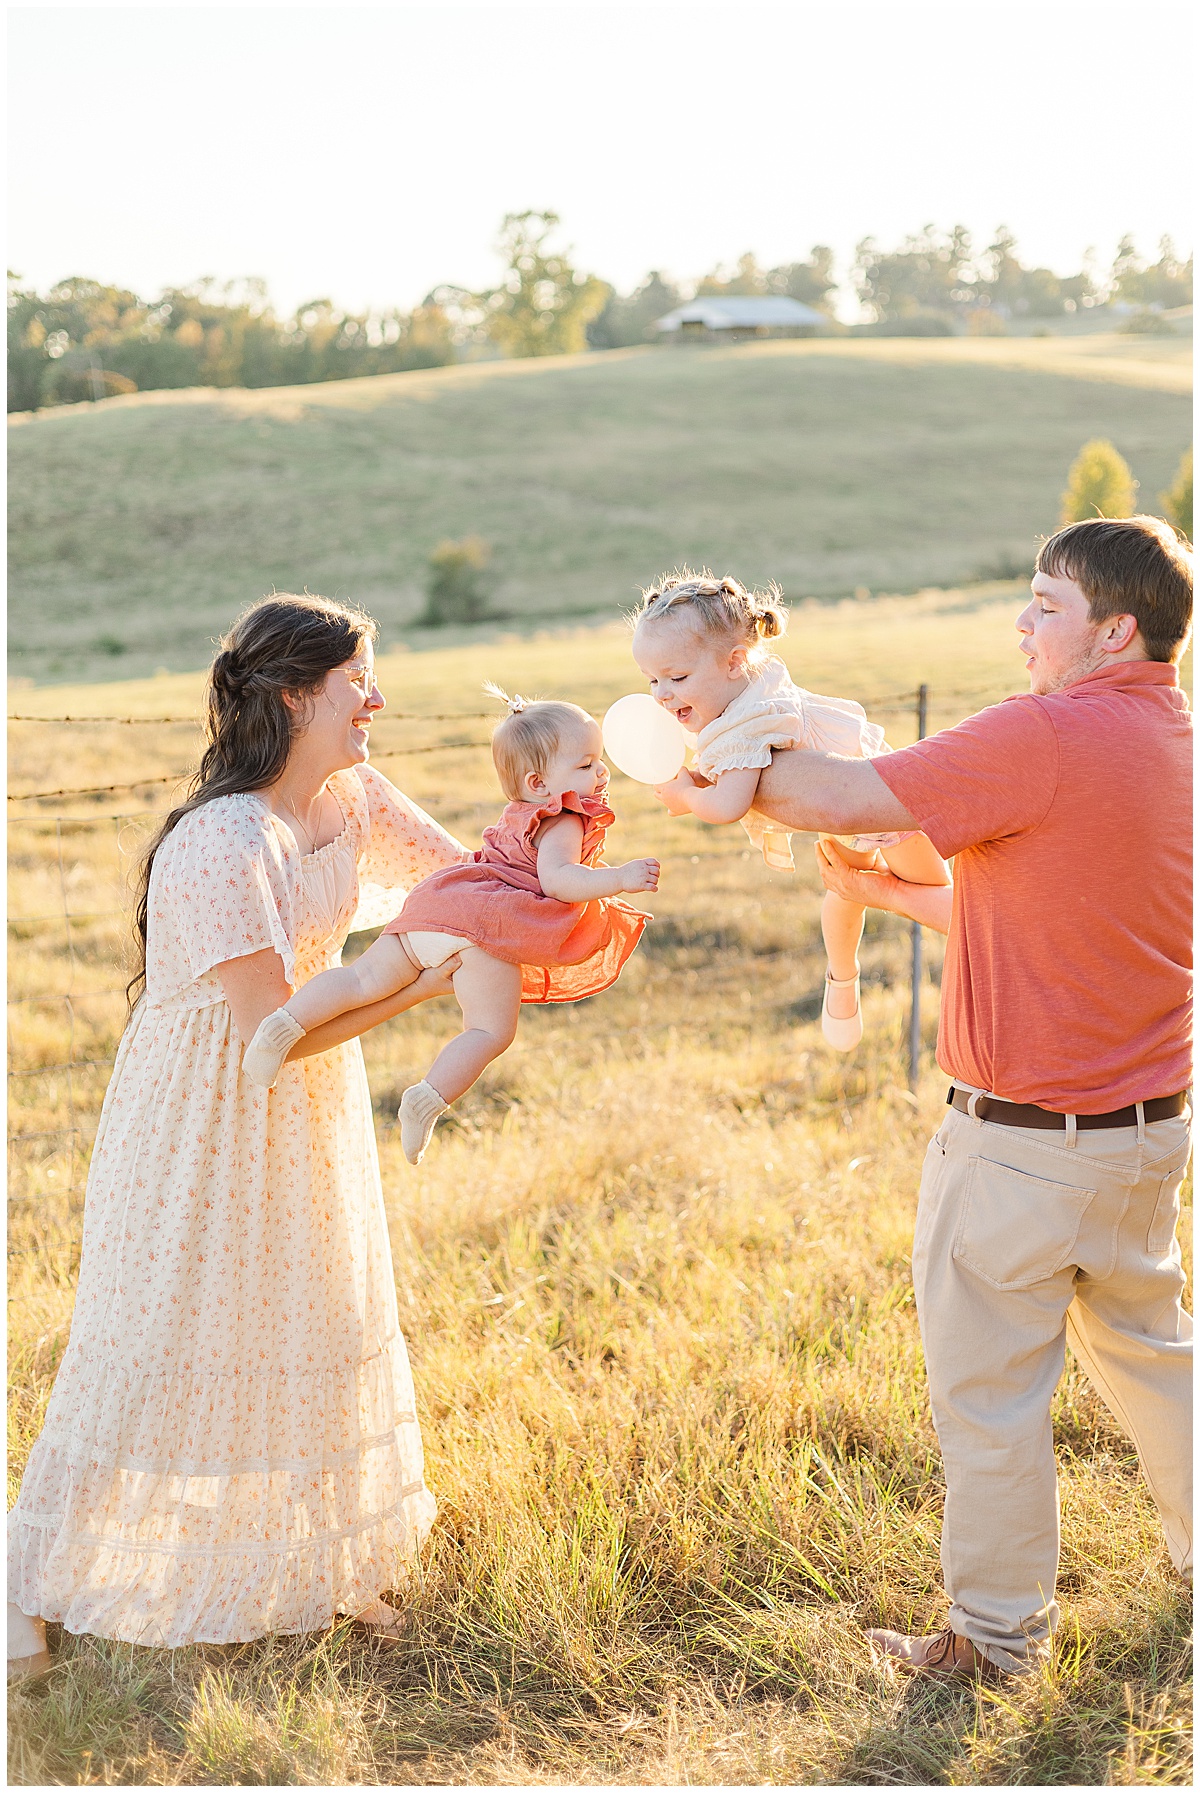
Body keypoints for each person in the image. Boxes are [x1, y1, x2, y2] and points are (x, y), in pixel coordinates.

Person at [753, 515, 1193, 1683]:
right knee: (1158, 1359)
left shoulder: (1045, 731)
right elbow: (1079, 922)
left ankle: (994, 1641)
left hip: (1019, 1146)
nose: (1021, 622)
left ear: (1116, 628)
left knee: (990, 1398)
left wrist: (736, 733)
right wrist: (901, 907)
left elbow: (839, 795)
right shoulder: (1174, 737)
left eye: (1044, 603)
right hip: (1145, 1138)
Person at [8, 595, 474, 1677]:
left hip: (303, 1100)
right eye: (360, 678)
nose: (378, 697)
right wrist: (418, 992)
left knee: (315, 1311)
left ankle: (327, 1562)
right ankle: (19, 1580)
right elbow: (273, 1028)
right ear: (294, 693)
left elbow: (463, 879)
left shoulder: (352, 794)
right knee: (157, 1340)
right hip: (205, 1115)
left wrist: (565, 841)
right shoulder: (223, 840)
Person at [241, 686, 659, 1166]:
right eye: (586, 765)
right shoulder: (565, 818)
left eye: (599, 759)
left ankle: (282, 1026)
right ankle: (427, 1099)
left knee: (362, 979)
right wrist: (618, 878)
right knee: (489, 1030)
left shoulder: (521, 814)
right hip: (486, 927)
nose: (601, 771)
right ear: (539, 783)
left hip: (438, 904)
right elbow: (558, 880)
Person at [633, 571, 950, 1049]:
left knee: (908, 896)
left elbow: (727, 803)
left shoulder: (752, 720)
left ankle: (844, 979)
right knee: (868, 890)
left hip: (881, 803)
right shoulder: (744, 688)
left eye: (676, 678)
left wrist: (688, 797)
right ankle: (846, 981)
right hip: (855, 803)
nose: (661, 693)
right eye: (653, 679)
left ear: (735, 662)